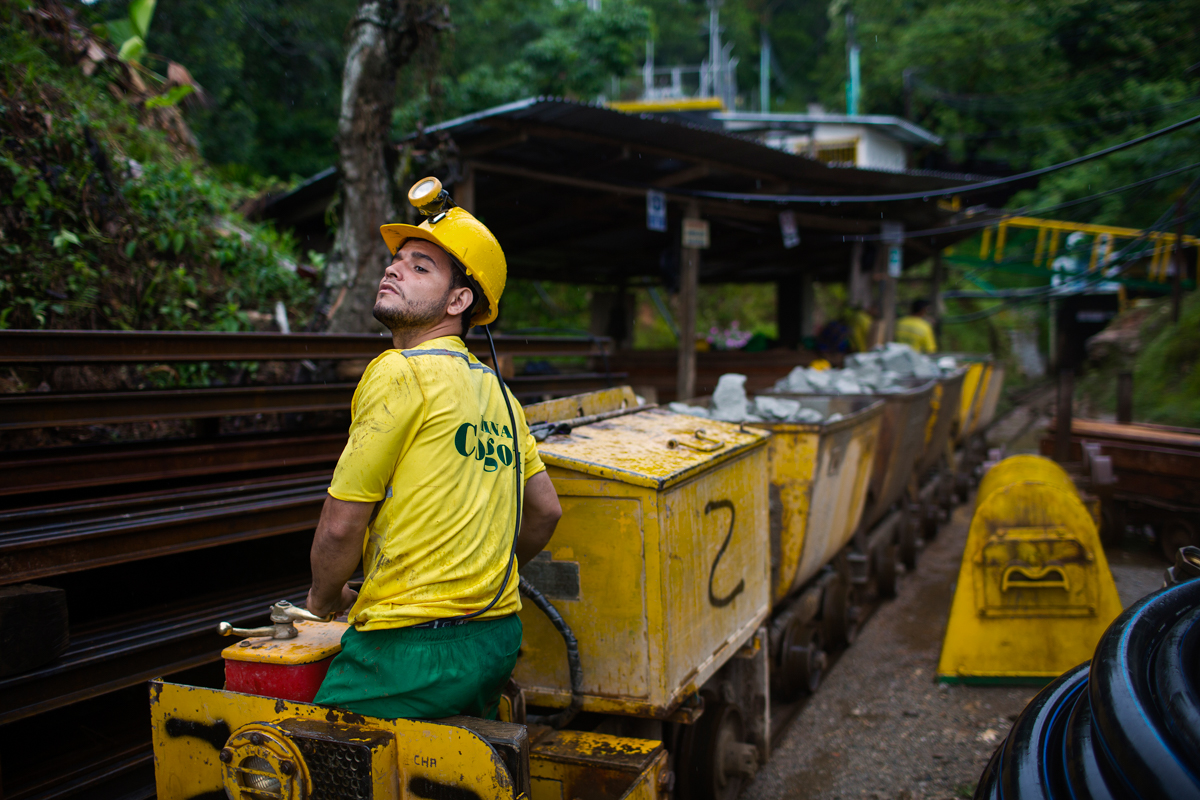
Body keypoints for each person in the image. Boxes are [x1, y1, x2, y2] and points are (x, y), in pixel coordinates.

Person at [305, 181, 562, 720]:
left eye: (420, 267)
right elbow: (545, 510)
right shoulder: (500, 393)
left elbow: (340, 525)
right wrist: (480, 575)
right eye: (396, 261)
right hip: (495, 640)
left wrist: (322, 602)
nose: (394, 270)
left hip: (407, 652)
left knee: (315, 760)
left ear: (458, 300)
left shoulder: (400, 371)